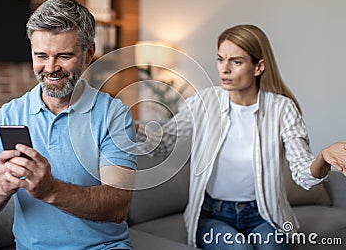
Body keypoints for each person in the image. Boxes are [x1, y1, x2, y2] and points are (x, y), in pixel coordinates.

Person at [137, 24, 346, 249]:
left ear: (258, 67)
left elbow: (303, 175)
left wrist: (323, 158)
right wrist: (129, 125)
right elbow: (163, 142)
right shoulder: (204, 102)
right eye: (220, 59)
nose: (224, 69)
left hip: (264, 214)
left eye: (236, 62)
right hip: (213, 215)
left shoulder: (281, 109)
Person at [0, 0, 137, 250]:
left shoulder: (113, 114)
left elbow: (117, 205)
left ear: (88, 53)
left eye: (64, 56)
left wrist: (50, 190)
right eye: (41, 55)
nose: (50, 68)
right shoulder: (10, 114)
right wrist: (0, 184)